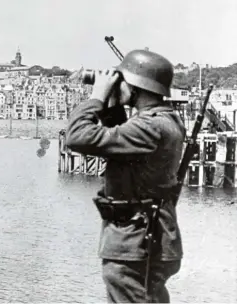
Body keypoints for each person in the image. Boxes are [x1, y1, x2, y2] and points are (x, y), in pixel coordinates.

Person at [65, 49, 185, 303]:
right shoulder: (165, 120)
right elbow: (121, 148)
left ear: (136, 87)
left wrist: (97, 98)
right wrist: (113, 110)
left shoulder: (149, 126)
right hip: (147, 237)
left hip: (136, 242)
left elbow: (77, 137)